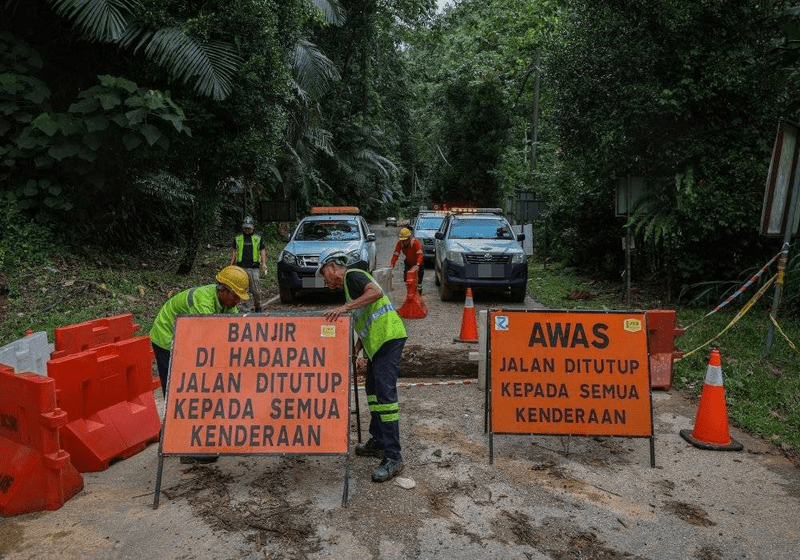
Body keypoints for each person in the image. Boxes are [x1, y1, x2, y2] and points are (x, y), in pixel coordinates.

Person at [317, 249, 408, 482]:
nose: (324, 280)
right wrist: (358, 349)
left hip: (388, 339)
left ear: (333, 267)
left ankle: (393, 457)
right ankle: (378, 441)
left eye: (323, 273)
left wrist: (345, 309)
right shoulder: (350, 289)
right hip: (377, 345)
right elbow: (366, 320)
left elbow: (376, 292)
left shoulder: (353, 275)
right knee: (373, 393)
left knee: (385, 398)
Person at [149, 265, 250, 464]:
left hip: (186, 342)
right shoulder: (202, 301)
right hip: (167, 341)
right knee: (179, 392)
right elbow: (209, 337)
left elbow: (234, 330)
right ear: (223, 291)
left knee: (198, 390)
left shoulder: (227, 304)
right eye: (236, 296)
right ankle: (182, 446)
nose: (238, 301)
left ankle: (179, 437)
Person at [230, 215, 268, 312]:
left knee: (256, 290)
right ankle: (245, 308)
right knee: (243, 289)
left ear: (252, 227)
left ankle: (258, 306)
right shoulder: (238, 237)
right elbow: (234, 251)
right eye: (245, 228)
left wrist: (264, 263)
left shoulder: (257, 237)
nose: (247, 230)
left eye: (249, 228)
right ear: (243, 227)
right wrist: (231, 264)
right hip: (241, 267)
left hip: (254, 267)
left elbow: (262, 249)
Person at [390, 227, 424, 294]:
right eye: (402, 240)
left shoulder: (415, 243)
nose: (404, 242)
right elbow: (396, 254)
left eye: (405, 240)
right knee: (407, 279)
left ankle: (419, 295)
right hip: (408, 262)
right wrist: (392, 265)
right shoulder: (400, 243)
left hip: (418, 263)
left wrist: (417, 265)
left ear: (409, 238)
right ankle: (410, 294)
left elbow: (420, 255)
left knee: (419, 282)